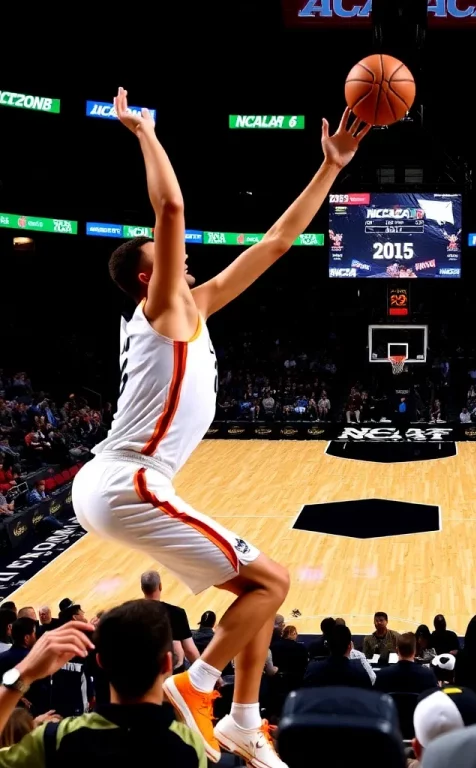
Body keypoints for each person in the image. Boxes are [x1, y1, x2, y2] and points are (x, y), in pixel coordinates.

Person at [71, 87, 369, 767]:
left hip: (124, 483)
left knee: (255, 590)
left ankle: (241, 718)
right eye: (167, 255)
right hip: (128, 481)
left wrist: (331, 168)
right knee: (274, 581)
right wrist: (143, 132)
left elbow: (277, 241)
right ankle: (196, 684)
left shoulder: (194, 306)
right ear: (149, 275)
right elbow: (171, 206)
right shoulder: (162, 309)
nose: (185, 257)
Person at [0, 600, 207, 766]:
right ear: (167, 664)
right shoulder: (190, 746)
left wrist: (23, 673)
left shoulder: (55, 739)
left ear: (100, 662)